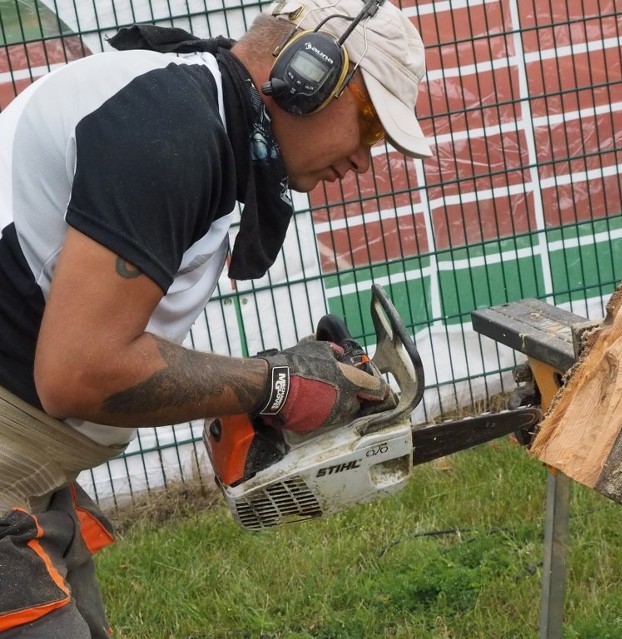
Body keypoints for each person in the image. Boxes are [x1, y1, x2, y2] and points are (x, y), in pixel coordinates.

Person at [0, 0, 431, 635]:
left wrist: (247, 389)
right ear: (309, 73)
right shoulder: (172, 129)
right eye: (368, 126)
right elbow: (79, 371)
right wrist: (275, 384)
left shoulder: (191, 109)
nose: (364, 159)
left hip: (30, 468)